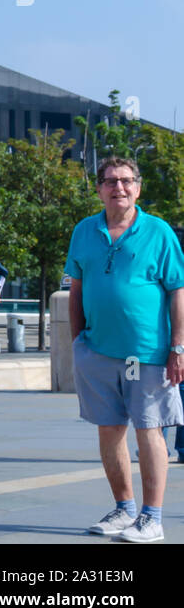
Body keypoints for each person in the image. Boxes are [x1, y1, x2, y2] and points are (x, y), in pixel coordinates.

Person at [66, 157, 184, 543]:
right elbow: (77, 289)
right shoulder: (84, 231)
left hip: (147, 353)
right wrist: (78, 342)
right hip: (98, 352)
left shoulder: (159, 232)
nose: (119, 188)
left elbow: (177, 291)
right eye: (110, 181)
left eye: (126, 181)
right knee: (110, 430)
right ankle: (125, 509)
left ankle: (153, 518)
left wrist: (178, 346)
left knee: (150, 430)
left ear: (138, 187)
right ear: (98, 188)